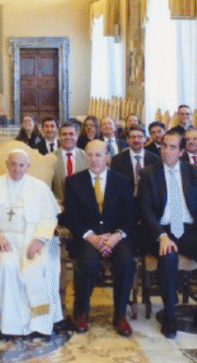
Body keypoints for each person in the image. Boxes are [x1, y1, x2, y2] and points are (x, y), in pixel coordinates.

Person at [138, 129, 197, 338]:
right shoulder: (148, 173)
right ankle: (169, 315)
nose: (166, 151)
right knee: (168, 257)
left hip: (189, 230)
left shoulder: (194, 172)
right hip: (161, 230)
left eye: (172, 147)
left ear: (181, 151)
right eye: (163, 146)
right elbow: (145, 210)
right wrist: (161, 236)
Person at [0, 149, 63, 337]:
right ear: (7, 164)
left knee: (38, 267)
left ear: (28, 167)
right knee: (7, 266)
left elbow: (49, 218)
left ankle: (38, 322)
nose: (17, 169)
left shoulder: (40, 187)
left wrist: (39, 240)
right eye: (13, 164)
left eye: (21, 165)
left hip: (32, 239)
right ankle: (6, 324)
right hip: (2, 240)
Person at [61, 140, 136, 337]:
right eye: (90, 155)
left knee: (127, 262)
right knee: (88, 263)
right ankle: (82, 312)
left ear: (107, 157)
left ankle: (120, 315)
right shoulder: (73, 181)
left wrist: (116, 236)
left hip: (116, 237)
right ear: (85, 156)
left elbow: (130, 216)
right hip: (87, 237)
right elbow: (70, 216)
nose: (94, 159)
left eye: (99, 155)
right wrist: (91, 236)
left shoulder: (122, 181)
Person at [112, 125, 160, 195]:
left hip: (148, 200)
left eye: (140, 137)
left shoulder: (155, 159)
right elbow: (115, 186)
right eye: (133, 137)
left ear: (145, 139)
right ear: (127, 140)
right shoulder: (117, 160)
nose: (136, 140)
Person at [52, 122, 87, 203]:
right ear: (59, 137)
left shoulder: (87, 157)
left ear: (77, 136)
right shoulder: (50, 158)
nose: (68, 137)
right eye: (64, 134)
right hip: (59, 207)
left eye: (71, 134)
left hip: (82, 207)